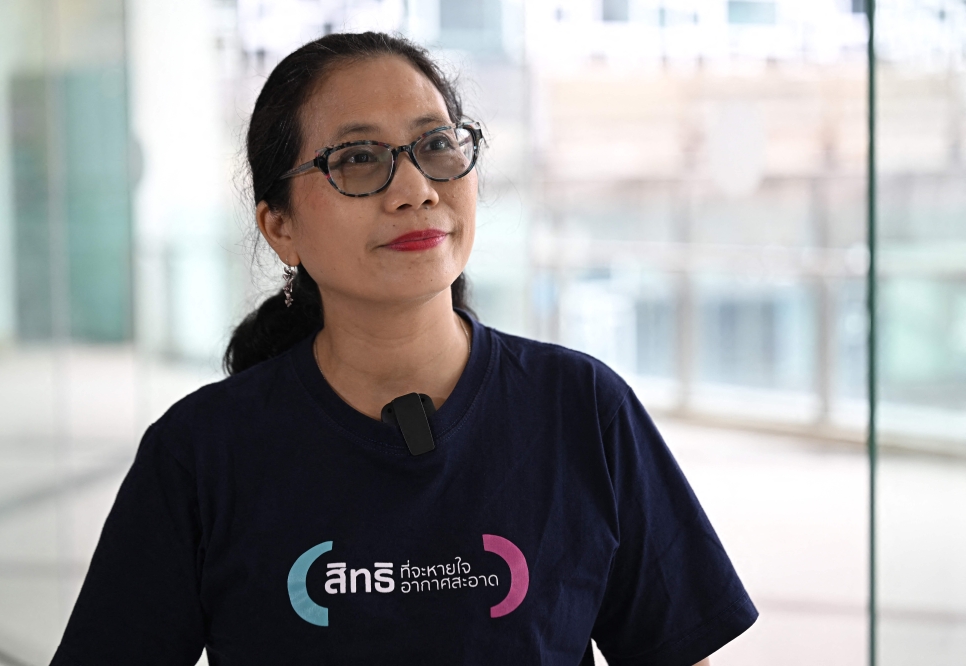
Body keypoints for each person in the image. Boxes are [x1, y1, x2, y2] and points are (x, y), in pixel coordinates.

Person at [51, 32, 756, 665]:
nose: (416, 190)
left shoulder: (583, 409)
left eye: (436, 145)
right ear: (280, 227)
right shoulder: (200, 454)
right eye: (358, 159)